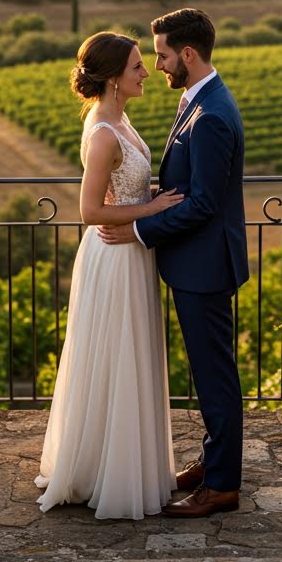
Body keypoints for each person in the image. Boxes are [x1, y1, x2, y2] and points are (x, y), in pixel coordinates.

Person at [99, 7, 249, 518]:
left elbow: (203, 203)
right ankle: (213, 462)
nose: (158, 65)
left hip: (205, 267)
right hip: (196, 263)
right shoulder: (197, 100)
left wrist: (137, 229)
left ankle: (223, 485)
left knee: (215, 377)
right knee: (211, 373)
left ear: (187, 54)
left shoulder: (210, 116)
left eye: (161, 55)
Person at [35, 31, 183, 519]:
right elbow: (89, 211)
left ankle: (119, 464)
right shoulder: (102, 133)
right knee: (115, 356)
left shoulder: (121, 119)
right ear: (115, 79)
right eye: (138, 67)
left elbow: (130, 184)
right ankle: (105, 472)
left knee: (128, 356)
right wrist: (151, 209)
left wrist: (152, 199)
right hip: (115, 256)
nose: (146, 73)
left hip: (132, 253)